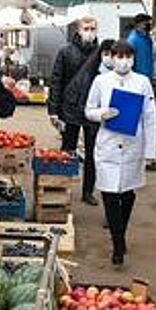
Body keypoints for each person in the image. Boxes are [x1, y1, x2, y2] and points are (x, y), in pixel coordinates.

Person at [85, 40, 156, 265]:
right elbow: (88, 110)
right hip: (108, 145)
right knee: (109, 194)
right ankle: (117, 243)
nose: (124, 61)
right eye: (119, 56)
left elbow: (150, 116)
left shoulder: (143, 82)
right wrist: (101, 114)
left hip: (132, 146)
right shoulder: (101, 81)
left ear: (133, 59)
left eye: (128, 56)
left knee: (127, 194)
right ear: (112, 57)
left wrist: (149, 151)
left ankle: (121, 233)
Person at [62, 39, 115, 206]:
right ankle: (62, 185)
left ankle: (88, 191)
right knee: (68, 151)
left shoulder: (114, 75)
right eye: (105, 54)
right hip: (75, 112)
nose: (108, 58)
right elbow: (70, 89)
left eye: (111, 55)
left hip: (95, 117)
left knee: (92, 154)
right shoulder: (89, 72)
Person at [47, 16, 99, 152]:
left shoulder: (100, 53)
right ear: (78, 30)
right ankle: (66, 172)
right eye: (86, 29)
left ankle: (90, 174)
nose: (89, 32)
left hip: (93, 107)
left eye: (92, 29)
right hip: (69, 108)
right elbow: (56, 81)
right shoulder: (65, 52)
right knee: (68, 148)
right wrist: (53, 110)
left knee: (93, 150)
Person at [127, 13, 154, 79]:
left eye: (149, 24)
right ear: (138, 24)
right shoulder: (133, 40)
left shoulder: (147, 39)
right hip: (137, 77)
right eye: (146, 24)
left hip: (148, 76)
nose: (148, 26)